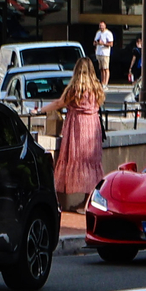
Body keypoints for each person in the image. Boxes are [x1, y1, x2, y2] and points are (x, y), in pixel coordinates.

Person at [50, 60, 105, 212]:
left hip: (77, 127)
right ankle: (86, 202)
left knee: (72, 160)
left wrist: (40, 110)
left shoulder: (75, 88)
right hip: (93, 128)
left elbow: (59, 103)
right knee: (90, 163)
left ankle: (59, 202)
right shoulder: (96, 87)